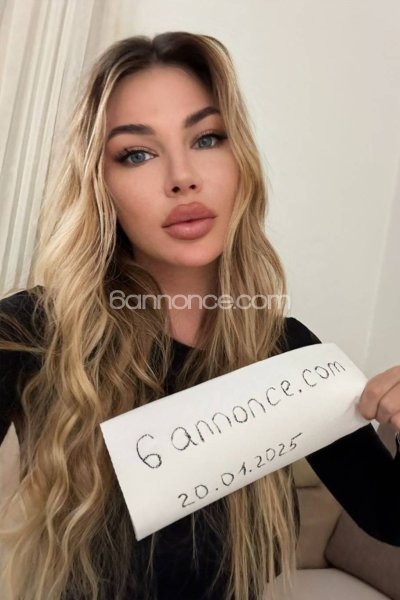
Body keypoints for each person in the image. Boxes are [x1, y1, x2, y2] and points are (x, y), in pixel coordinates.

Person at [0, 31, 399, 600]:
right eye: (137, 154)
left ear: (241, 162)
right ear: (100, 183)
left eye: (208, 138)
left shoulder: (287, 352)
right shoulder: (30, 331)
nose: (182, 176)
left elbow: (389, 517)